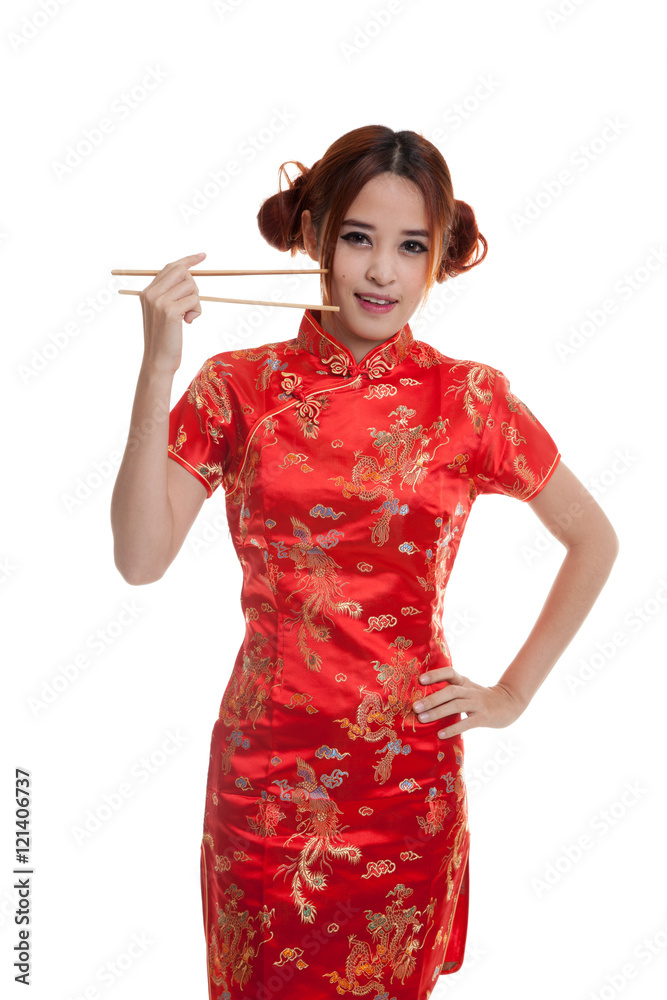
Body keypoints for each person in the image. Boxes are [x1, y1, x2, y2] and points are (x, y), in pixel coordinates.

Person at [110, 124, 618, 1000]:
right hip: (268, 771)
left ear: (437, 260)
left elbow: (594, 539)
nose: (382, 271)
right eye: (358, 238)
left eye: (409, 246)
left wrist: (509, 695)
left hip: (405, 779)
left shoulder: (469, 399)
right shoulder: (238, 388)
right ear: (316, 238)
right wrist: (158, 369)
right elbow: (139, 558)